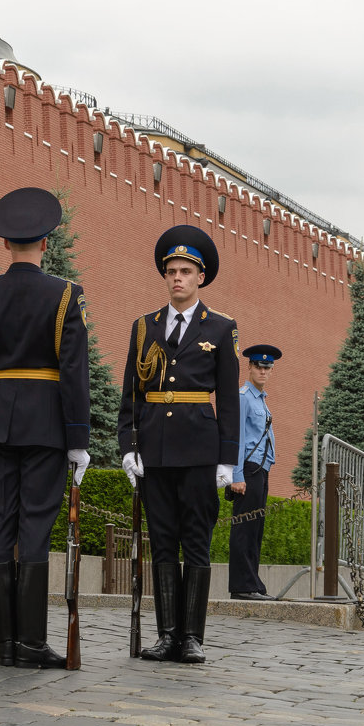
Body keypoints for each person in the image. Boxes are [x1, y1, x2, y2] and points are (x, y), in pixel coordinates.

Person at [0, 187, 91, 669]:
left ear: (6, 244)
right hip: (46, 426)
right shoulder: (65, 295)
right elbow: (74, 373)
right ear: (45, 244)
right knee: (34, 526)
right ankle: (31, 644)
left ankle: (4, 643)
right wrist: (79, 440)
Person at [118, 225, 239, 664]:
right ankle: (167, 634)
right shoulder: (143, 327)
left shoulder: (221, 329)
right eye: (171, 271)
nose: (177, 278)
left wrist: (228, 458)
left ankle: (192, 636)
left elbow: (228, 400)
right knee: (163, 542)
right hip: (155, 447)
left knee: (197, 543)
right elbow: (131, 391)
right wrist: (128, 445)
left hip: (199, 450)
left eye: (186, 271)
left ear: (201, 277)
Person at [228, 344, 281, 601]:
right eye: (258, 366)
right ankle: (241, 586)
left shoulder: (261, 399)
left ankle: (253, 582)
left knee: (255, 529)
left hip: (261, 469)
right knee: (244, 528)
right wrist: (236, 476)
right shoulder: (243, 397)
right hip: (248, 470)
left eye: (267, 367)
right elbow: (236, 437)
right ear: (249, 367)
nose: (262, 370)